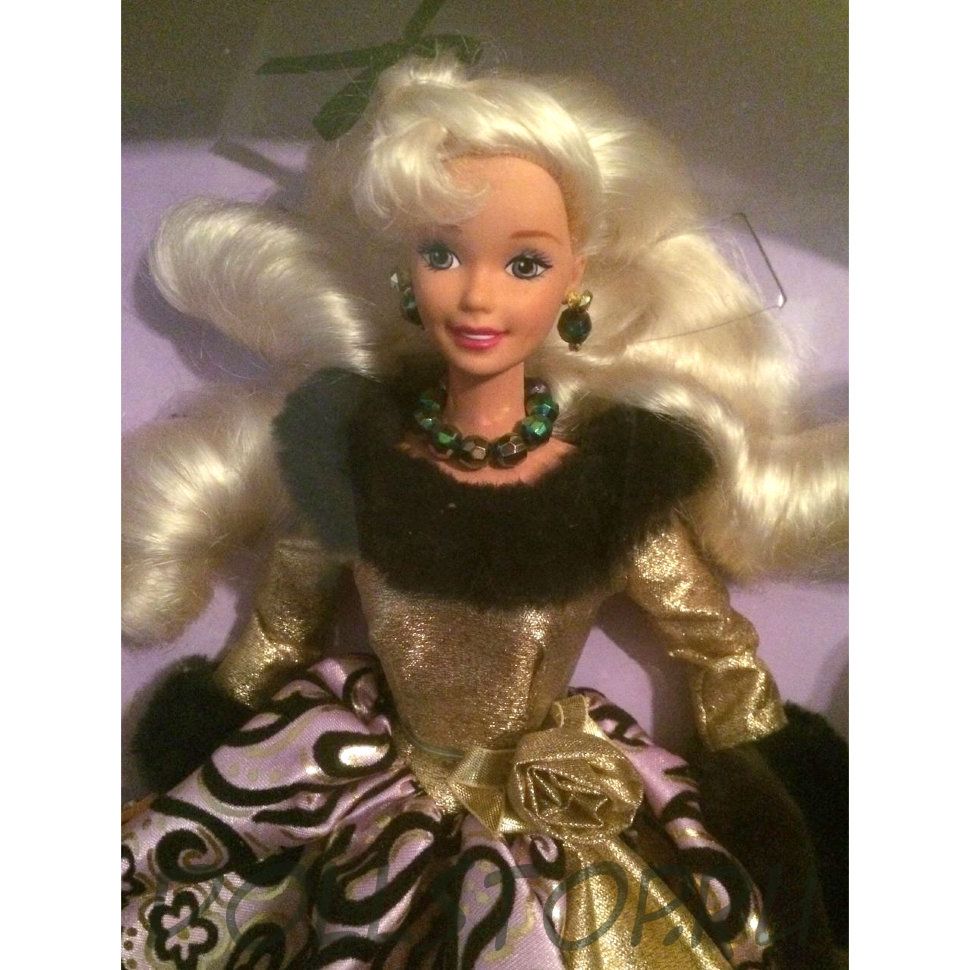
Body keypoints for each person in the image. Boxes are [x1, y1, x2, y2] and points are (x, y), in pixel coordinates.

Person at [122, 56, 847, 969]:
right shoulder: (352, 464)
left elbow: (714, 645)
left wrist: (779, 793)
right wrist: (201, 745)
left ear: (575, 281)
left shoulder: (613, 485)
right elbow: (281, 628)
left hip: (547, 817)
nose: (477, 294)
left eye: (524, 262)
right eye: (442, 254)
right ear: (404, 272)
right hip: (367, 797)